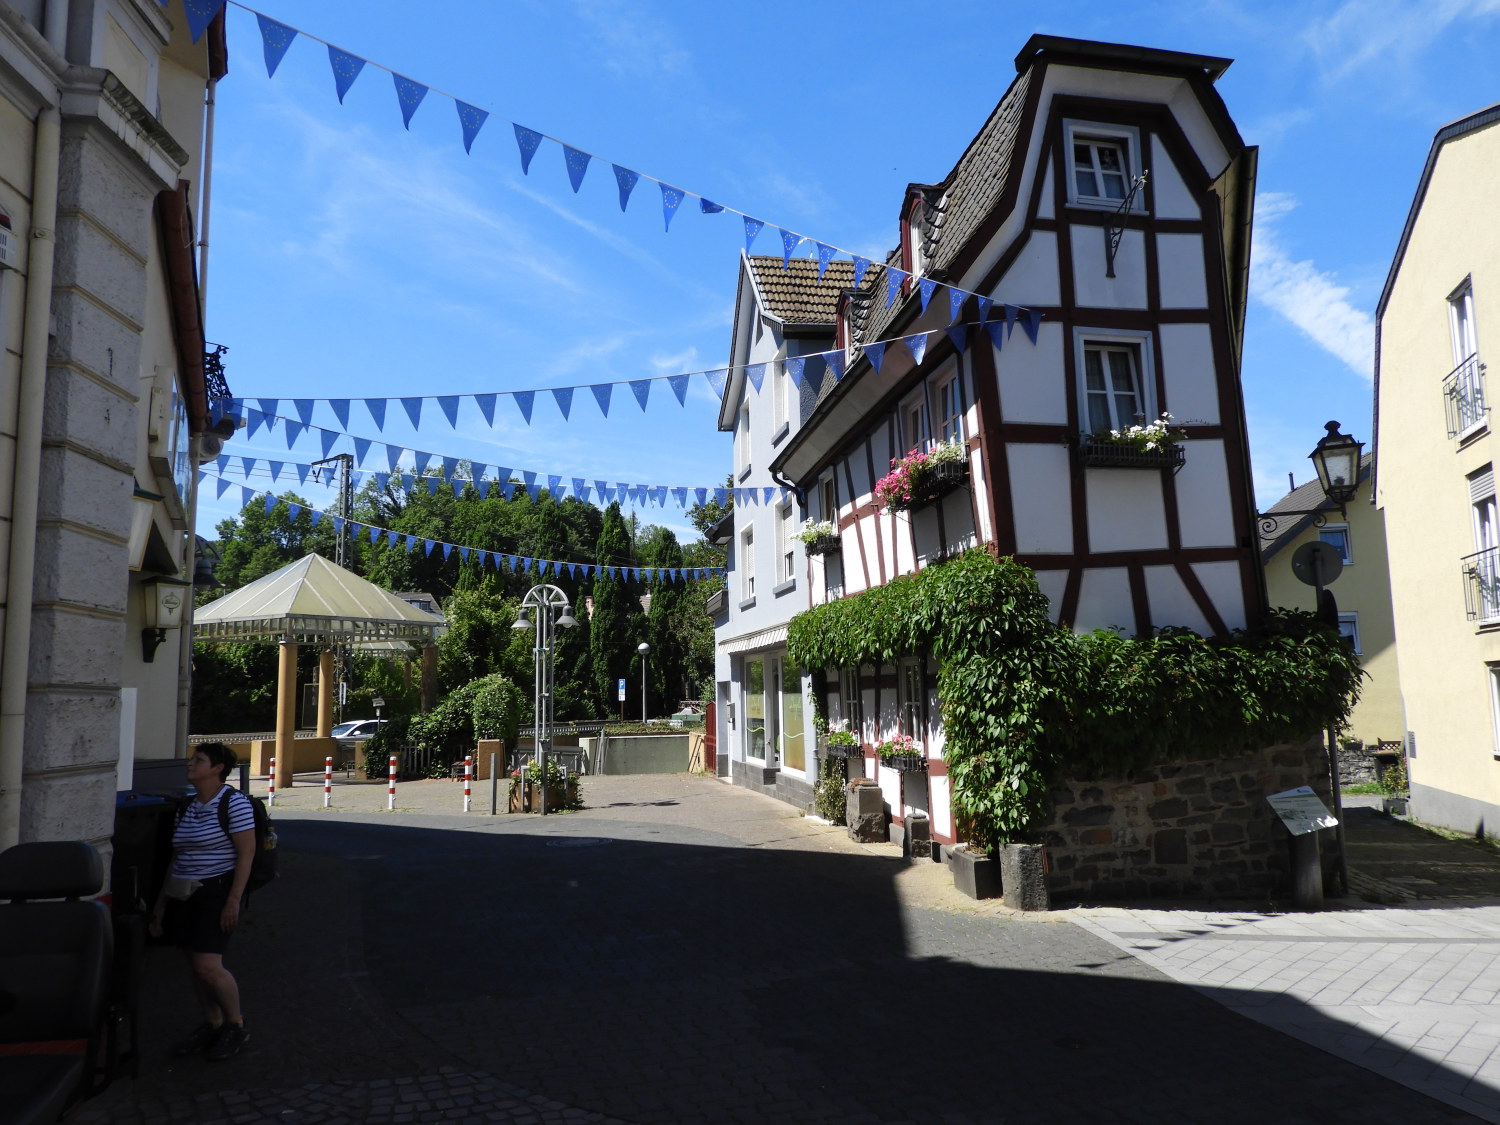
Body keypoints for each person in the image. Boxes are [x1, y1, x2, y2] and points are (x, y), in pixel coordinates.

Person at [148, 742, 255, 1061]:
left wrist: (234, 900)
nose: (191, 763)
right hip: (183, 892)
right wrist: (160, 905)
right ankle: (212, 1022)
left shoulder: (234, 804)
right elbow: (177, 856)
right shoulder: (187, 806)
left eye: (199, 760)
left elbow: (246, 853)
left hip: (215, 891)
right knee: (195, 967)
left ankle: (235, 1024)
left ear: (217, 768)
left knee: (208, 965)